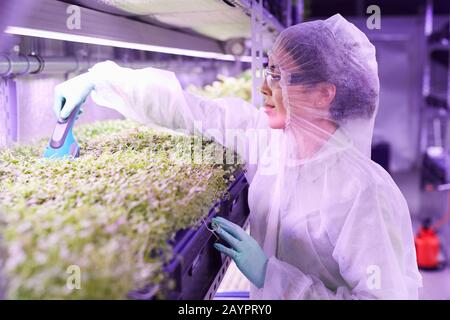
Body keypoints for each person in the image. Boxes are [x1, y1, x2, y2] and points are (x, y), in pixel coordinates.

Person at [53, 14, 422, 299]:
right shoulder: (273, 142)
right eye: (267, 71)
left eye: (279, 77)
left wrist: (271, 275)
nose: (263, 87)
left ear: (324, 94)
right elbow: (194, 112)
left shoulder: (363, 192)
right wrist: (99, 81)